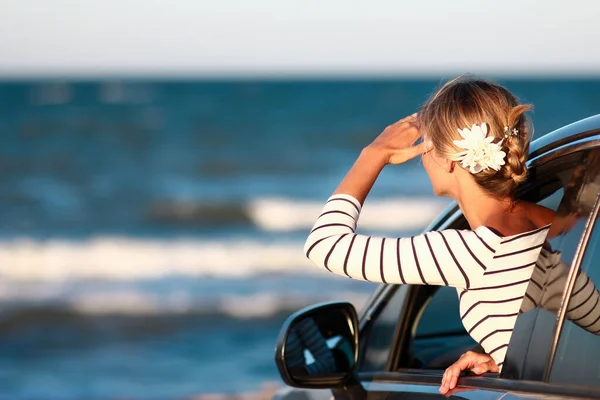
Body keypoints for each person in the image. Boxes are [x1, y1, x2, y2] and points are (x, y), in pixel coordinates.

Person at [303, 76, 555, 394]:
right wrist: (509, 360)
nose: (422, 158)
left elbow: (324, 246)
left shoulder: (473, 250)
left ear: (449, 159)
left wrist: (374, 154)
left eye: (427, 146)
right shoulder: (557, 222)